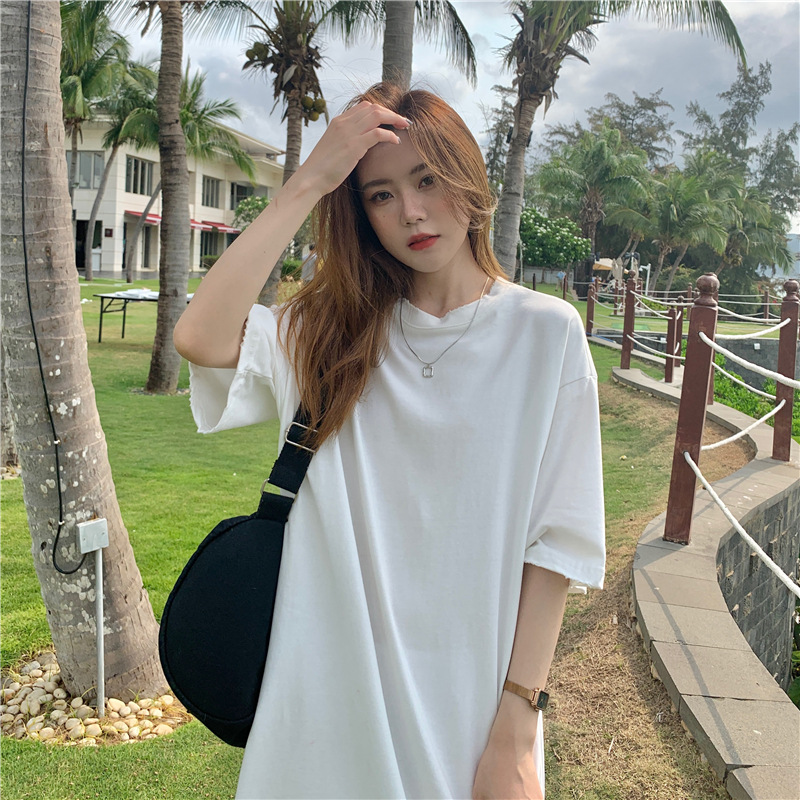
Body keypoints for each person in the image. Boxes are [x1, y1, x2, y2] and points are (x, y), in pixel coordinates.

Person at [174, 83, 605, 800]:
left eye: (427, 180)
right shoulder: (326, 333)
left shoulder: (546, 334)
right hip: (319, 710)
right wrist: (310, 181)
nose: (410, 212)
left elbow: (556, 545)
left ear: (468, 178)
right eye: (380, 194)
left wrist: (518, 724)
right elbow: (200, 336)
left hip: (468, 713)